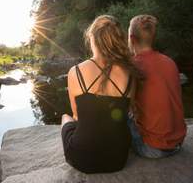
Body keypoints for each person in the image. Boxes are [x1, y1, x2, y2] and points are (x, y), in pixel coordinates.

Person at [60, 15, 142, 173]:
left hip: (82, 159)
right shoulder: (130, 73)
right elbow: (128, 111)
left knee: (66, 117)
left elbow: (77, 116)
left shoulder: (75, 72)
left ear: (92, 38)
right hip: (118, 159)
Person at [127, 14, 187, 159]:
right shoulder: (169, 62)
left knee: (117, 111)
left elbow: (126, 103)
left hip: (152, 148)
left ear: (132, 39)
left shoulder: (133, 66)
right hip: (178, 143)